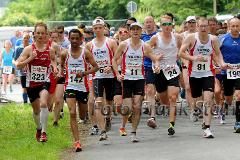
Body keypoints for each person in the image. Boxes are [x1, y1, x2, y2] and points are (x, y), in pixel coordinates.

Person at [179, 17, 227, 138]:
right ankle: (195, 110)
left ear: (208, 27)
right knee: (196, 98)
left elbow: (217, 53)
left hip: (208, 73)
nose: (203, 28)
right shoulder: (191, 38)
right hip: (194, 74)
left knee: (208, 100)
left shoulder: (213, 39)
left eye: (205, 26)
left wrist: (222, 63)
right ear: (197, 27)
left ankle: (207, 128)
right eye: (201, 26)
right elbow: (181, 53)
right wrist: (193, 58)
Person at [112, 22, 160, 142]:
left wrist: (157, 66)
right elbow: (114, 59)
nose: (135, 31)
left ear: (141, 31)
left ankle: (133, 132)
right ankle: (123, 126)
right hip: (127, 79)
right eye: (132, 29)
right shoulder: (124, 45)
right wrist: (118, 74)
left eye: (137, 29)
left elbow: (154, 59)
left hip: (139, 79)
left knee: (137, 106)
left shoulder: (145, 46)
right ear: (129, 31)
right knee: (128, 108)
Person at [15, 22, 58, 142]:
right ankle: (38, 128)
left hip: (45, 81)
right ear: (34, 34)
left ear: (46, 35)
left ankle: (44, 132)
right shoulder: (28, 49)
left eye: (42, 33)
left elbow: (53, 61)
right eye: (38, 33)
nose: (40, 35)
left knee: (44, 103)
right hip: (31, 83)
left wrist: (55, 68)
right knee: (36, 110)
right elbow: (18, 65)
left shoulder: (50, 50)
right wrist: (30, 59)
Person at [60, 29, 98, 152]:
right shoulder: (64, 53)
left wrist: (84, 73)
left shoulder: (85, 53)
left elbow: (96, 67)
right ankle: (77, 142)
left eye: (77, 38)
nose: (75, 41)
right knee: (72, 113)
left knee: (82, 114)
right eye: (72, 38)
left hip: (83, 87)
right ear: (69, 39)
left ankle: (84, 116)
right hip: (70, 86)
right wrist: (61, 73)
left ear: (81, 39)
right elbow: (62, 67)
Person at [85, 18, 118, 141]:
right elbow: (86, 61)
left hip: (110, 76)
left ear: (104, 28)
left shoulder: (111, 42)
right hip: (97, 77)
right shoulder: (89, 45)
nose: (98, 30)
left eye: (100, 27)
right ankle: (103, 130)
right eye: (95, 28)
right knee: (98, 102)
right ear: (93, 29)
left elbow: (117, 58)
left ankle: (108, 118)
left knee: (109, 102)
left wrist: (111, 67)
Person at [149, 14, 182, 135]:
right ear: (160, 26)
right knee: (164, 101)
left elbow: (182, 50)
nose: (167, 27)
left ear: (172, 25)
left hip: (172, 71)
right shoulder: (155, 38)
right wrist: (155, 58)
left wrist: (180, 58)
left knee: (173, 97)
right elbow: (146, 50)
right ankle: (158, 97)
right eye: (164, 24)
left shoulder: (177, 37)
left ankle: (171, 125)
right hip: (160, 72)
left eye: (169, 24)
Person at [219, 17, 240, 132]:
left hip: (239, 71)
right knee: (229, 98)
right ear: (228, 27)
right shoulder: (222, 39)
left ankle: (238, 122)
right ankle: (225, 105)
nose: (235, 28)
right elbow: (216, 53)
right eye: (233, 26)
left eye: (237, 26)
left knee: (239, 95)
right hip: (227, 71)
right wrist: (221, 64)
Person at [141, 16, 158, 128]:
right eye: (146, 22)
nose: (148, 24)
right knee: (150, 90)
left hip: (162, 66)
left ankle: (159, 101)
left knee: (162, 94)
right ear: (144, 24)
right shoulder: (141, 37)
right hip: (147, 66)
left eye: (150, 22)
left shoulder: (160, 36)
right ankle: (152, 116)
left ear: (154, 23)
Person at [12, 33, 31, 103]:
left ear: (29, 39)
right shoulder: (18, 48)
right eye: (24, 38)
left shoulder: (31, 48)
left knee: (30, 88)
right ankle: (25, 102)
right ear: (22, 39)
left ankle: (32, 102)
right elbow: (13, 59)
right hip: (22, 72)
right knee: (24, 87)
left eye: (27, 38)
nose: (25, 39)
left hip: (31, 72)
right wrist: (17, 64)